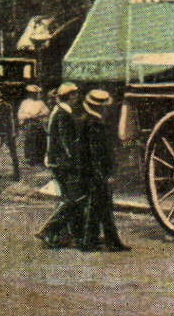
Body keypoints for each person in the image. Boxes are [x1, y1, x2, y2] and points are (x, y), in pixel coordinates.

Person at [77, 89, 128, 252]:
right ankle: (102, 241)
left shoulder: (90, 120)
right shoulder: (94, 124)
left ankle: (101, 241)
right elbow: (95, 152)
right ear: (100, 108)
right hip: (96, 172)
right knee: (100, 207)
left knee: (100, 207)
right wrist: (104, 175)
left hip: (94, 171)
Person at [35, 82, 84, 248]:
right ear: (70, 96)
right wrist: (75, 160)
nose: (77, 97)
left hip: (58, 161)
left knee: (71, 198)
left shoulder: (60, 111)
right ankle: (48, 230)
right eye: (75, 94)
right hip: (62, 162)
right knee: (71, 199)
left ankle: (72, 234)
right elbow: (66, 142)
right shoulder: (63, 114)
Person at [17, 85, 49, 167]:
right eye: (32, 93)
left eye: (35, 93)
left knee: (40, 140)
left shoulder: (40, 103)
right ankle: (31, 158)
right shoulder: (25, 103)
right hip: (29, 124)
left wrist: (39, 115)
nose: (34, 95)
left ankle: (40, 158)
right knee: (30, 140)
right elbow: (20, 114)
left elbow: (46, 112)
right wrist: (28, 116)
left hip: (38, 124)